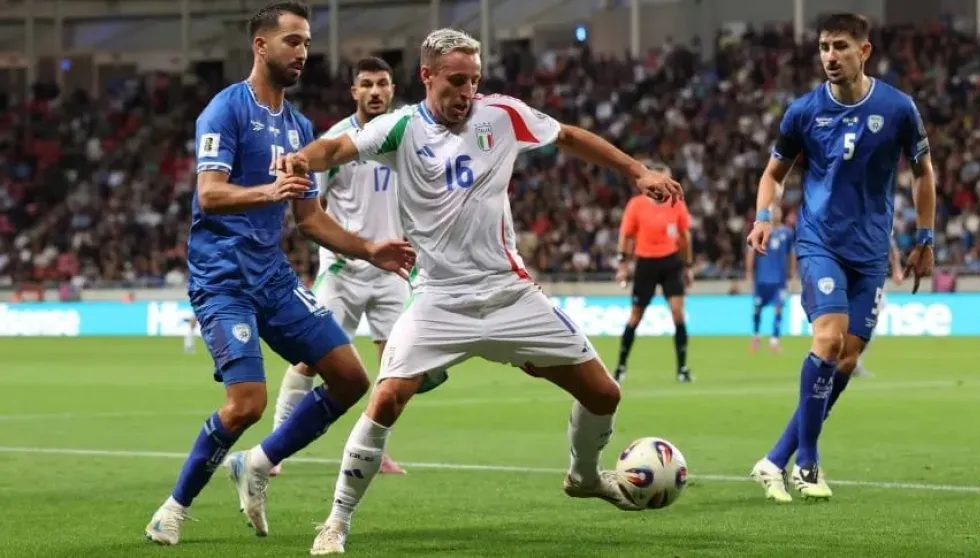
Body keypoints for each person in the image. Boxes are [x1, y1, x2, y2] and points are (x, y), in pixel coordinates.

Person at [277, 28, 682, 555]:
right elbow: (336, 147)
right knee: (387, 398)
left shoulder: (502, 114)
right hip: (438, 299)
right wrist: (302, 159)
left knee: (604, 394)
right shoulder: (399, 128)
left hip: (510, 294)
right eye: (456, 80)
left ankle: (584, 476)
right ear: (427, 76)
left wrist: (636, 171)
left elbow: (567, 136)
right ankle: (335, 522)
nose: (467, 91)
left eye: (474, 80)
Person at [143, 2, 414, 545]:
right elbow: (209, 194)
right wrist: (268, 191)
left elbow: (310, 219)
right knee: (247, 404)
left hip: (272, 276)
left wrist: (370, 250)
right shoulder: (226, 110)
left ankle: (258, 464)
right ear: (261, 45)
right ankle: (172, 508)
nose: (303, 52)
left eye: (307, 42)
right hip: (222, 278)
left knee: (351, 378)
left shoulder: (299, 128)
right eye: (293, 41)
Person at [747, 12, 935, 503]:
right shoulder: (803, 112)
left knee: (847, 357)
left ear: (864, 51)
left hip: (870, 251)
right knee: (828, 340)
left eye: (841, 46)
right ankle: (807, 463)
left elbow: (923, 173)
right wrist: (764, 216)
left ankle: (774, 460)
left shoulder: (898, 108)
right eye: (824, 47)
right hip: (820, 241)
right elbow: (773, 174)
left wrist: (926, 238)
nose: (830, 56)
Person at [268, 56, 407, 478]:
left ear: (392, 90)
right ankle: (278, 445)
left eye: (382, 84)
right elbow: (314, 207)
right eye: (366, 84)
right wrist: (341, 246)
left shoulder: (405, 137)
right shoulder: (336, 142)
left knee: (396, 368)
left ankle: (372, 451)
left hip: (392, 270)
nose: (375, 92)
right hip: (344, 271)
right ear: (354, 91)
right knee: (312, 359)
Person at [614, 180, 694, 383]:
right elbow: (626, 235)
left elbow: (685, 236)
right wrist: (622, 265)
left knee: (678, 314)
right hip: (645, 263)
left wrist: (688, 266)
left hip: (671, 262)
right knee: (635, 316)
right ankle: (621, 366)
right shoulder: (636, 204)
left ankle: (682, 369)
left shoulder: (677, 204)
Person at [850, 234, 904, 378]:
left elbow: (891, 245)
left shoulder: (880, 224)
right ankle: (838, 361)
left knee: (871, 320)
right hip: (849, 272)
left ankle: (855, 362)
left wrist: (897, 269)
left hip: (871, 275)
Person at [745, 206, 795, 353]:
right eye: (773, 211)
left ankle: (774, 340)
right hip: (762, 279)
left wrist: (792, 273)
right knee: (757, 308)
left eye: (777, 210)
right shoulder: (760, 230)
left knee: (778, 308)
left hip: (779, 280)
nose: (775, 213)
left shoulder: (787, 232)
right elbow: (751, 251)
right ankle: (756, 336)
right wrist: (749, 272)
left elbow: (792, 254)